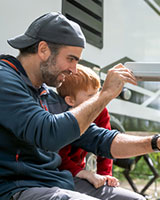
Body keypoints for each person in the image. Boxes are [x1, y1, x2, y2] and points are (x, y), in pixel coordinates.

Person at [0, 12, 160, 200]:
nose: (74, 69)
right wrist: (104, 95)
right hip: (6, 190)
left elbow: (100, 139)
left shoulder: (45, 94)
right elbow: (48, 134)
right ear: (43, 50)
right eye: (71, 59)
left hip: (53, 183)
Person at [55, 64, 144, 199]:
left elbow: (106, 145)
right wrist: (84, 173)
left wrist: (105, 175)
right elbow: (60, 157)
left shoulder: (101, 111)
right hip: (61, 173)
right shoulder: (63, 117)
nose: (97, 99)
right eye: (91, 95)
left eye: (98, 93)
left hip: (78, 170)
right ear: (70, 100)